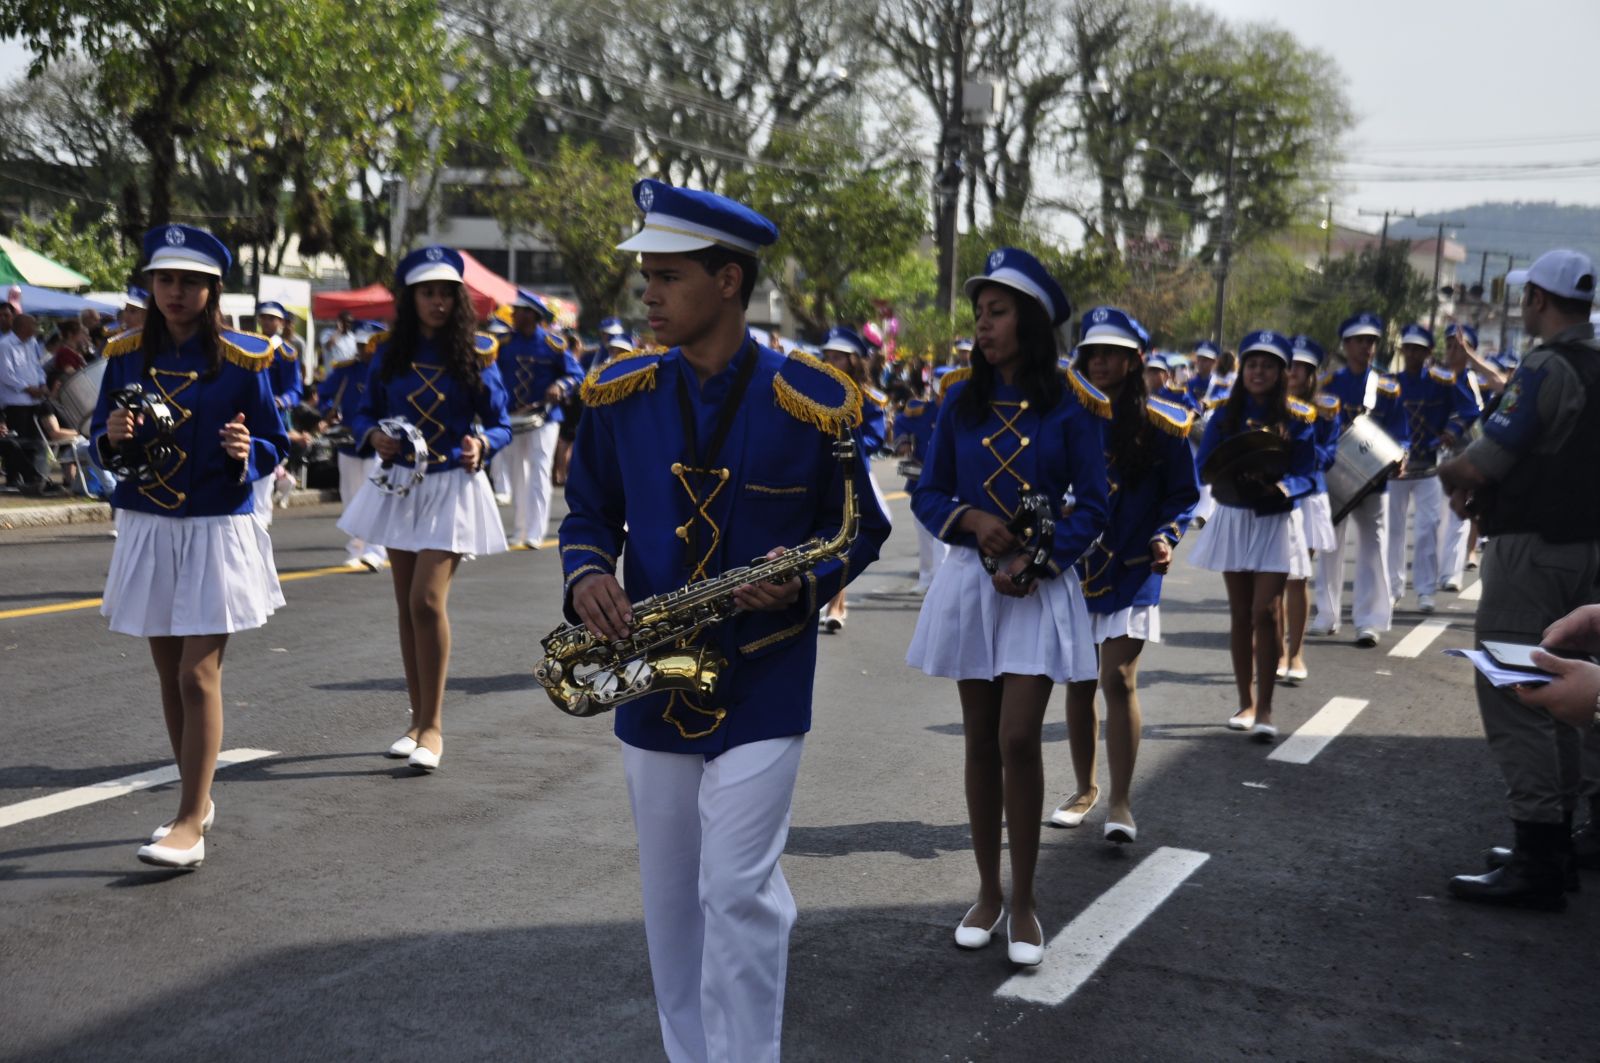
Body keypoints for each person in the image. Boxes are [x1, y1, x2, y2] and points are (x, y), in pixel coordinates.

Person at [560, 179, 890, 1063]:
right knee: (672, 898)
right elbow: (586, 510)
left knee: (738, 887)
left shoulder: (812, 397)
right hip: (648, 672)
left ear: (730, 281)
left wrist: (807, 580)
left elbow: (860, 526)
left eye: (668, 277)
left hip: (767, 673)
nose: (650, 295)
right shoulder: (618, 393)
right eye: (647, 279)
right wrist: (587, 573)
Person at [907, 247, 1110, 967]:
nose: (983, 327)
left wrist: (1040, 558)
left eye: (997, 313)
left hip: (1039, 587)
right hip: (972, 583)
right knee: (981, 739)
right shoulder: (958, 399)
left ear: (1028, 322)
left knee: (1021, 737)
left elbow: (1095, 500)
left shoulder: (1073, 406)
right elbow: (927, 492)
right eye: (979, 314)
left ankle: (1025, 898)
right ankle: (988, 892)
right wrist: (970, 520)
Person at [89, 224, 289, 868]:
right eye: (164, 280)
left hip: (214, 525)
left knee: (197, 673)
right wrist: (113, 436)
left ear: (212, 290)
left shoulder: (243, 358)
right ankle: (196, 799)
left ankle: (187, 822)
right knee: (168, 675)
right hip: (148, 522)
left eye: (189, 282)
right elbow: (99, 434)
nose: (174, 293)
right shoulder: (124, 352)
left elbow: (273, 442)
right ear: (150, 284)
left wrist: (247, 452)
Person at [1438, 249, 1600, 911]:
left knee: (1518, 684)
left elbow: (1484, 460)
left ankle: (1538, 848)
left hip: (1534, 548)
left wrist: (1447, 474)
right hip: (1589, 551)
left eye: (1525, 296)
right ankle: (1561, 841)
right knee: (1571, 690)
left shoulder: (1545, 365)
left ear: (1538, 299)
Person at [339, 245, 511, 772]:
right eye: (427, 292)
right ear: (410, 298)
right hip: (399, 484)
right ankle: (415, 721)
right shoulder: (387, 352)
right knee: (406, 606)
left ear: (458, 299)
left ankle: (433, 727)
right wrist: (373, 434)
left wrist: (484, 445)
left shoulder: (478, 352)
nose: (437, 301)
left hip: (453, 486)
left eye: (445, 293)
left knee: (427, 600)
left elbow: (502, 421)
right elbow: (361, 410)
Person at [1057, 307, 1198, 842]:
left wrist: (1168, 534)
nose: (1099, 362)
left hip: (1134, 564)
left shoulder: (1162, 425)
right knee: (1076, 680)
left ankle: (1120, 802)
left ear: (1134, 361)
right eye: (1092, 352)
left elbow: (1184, 495)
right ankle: (1083, 789)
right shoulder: (1066, 417)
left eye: (1112, 353)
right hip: (1073, 565)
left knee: (1118, 679)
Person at [1189, 330, 1317, 741]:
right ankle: (1244, 702)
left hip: (1277, 520)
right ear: (1243, 369)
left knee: (1265, 611)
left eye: (1268, 365)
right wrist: (1234, 474)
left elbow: (1310, 473)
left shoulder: (1298, 418)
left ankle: (1266, 709)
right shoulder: (1223, 416)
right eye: (1252, 364)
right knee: (1242, 615)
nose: (1259, 371)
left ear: (1282, 372)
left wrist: (1283, 487)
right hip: (1234, 517)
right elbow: (1205, 465)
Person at [1312, 312, 1409, 646]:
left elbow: (1401, 431)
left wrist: (1401, 455)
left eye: (1372, 341)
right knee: (1329, 544)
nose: (1367, 347)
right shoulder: (1328, 384)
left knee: (1373, 547)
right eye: (1360, 341)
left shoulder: (1386, 387)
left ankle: (1368, 621)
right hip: (1334, 475)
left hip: (1374, 478)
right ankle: (1327, 614)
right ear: (1346, 344)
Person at [498, 288, 581, 549]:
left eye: (518, 312)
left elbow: (576, 375)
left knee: (539, 471)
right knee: (517, 473)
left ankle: (535, 531)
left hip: (544, 418)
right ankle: (519, 529)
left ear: (531, 315)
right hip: (514, 417)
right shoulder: (504, 345)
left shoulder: (551, 345)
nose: (513, 315)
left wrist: (560, 386)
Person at [1385, 324, 1459, 614]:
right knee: (1393, 530)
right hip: (1395, 468)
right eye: (1408, 348)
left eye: (1419, 349)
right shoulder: (1389, 382)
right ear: (1402, 351)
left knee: (1428, 528)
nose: (1412, 353)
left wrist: (1449, 431)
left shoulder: (1441, 382)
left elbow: (1465, 409)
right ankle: (1392, 586)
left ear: (1429, 352)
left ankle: (1426, 590)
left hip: (1428, 467)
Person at [818, 325, 887, 633]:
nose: (831, 361)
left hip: (853, 475)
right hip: (818, 475)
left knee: (845, 538)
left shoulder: (868, 397)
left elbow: (875, 436)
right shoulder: (811, 392)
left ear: (854, 361)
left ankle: (836, 605)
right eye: (828, 356)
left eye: (839, 357)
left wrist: (850, 450)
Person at [1279, 335, 1338, 685]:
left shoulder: (1325, 408)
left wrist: (1300, 442)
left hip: (1309, 494)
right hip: (1272, 493)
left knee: (1296, 578)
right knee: (1274, 580)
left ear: (1313, 372)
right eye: (1290, 365)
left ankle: (1295, 651)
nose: (1294, 372)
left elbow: (1328, 456)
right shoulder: (1267, 404)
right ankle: (1277, 650)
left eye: (1302, 367)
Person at [315, 331, 386, 571]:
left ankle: (375, 550)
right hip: (348, 440)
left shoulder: (386, 369)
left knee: (375, 496)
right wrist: (329, 411)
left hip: (377, 442)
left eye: (367, 344)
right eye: (360, 344)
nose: (363, 349)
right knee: (351, 497)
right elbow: (325, 395)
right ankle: (356, 548)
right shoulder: (346, 369)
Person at [1438, 324, 1489, 592]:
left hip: (1465, 454)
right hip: (1437, 455)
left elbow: (1474, 413)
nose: (1452, 352)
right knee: (1435, 519)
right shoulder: (1436, 377)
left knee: (1459, 516)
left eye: (1458, 347)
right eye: (1449, 346)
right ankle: (1439, 568)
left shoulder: (1473, 380)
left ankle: (1452, 573)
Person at [892, 365, 947, 594]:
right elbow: (901, 421)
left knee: (944, 535)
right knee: (924, 530)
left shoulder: (964, 412)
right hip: (923, 479)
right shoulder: (921, 411)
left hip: (951, 481)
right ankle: (926, 578)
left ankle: (941, 582)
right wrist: (903, 441)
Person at [0, 301, 59, 495]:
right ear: (22, 328)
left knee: (34, 441)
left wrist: (42, 383)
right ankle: (13, 478)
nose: (36, 329)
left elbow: (37, 366)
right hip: (16, 401)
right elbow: (6, 374)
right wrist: (27, 388)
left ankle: (33, 478)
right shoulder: (5, 345)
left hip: (34, 400)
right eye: (32, 326)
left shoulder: (32, 343)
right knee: (16, 441)